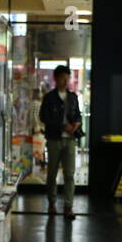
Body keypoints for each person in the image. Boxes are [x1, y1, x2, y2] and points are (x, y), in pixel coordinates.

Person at [38, 65, 84, 219]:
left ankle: (68, 207)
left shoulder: (73, 97)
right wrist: (62, 125)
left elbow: (78, 115)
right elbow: (44, 117)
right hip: (54, 139)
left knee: (69, 174)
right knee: (51, 174)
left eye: (67, 78)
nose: (65, 81)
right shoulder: (49, 98)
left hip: (70, 139)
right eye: (62, 77)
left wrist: (76, 124)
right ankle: (51, 203)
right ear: (55, 79)